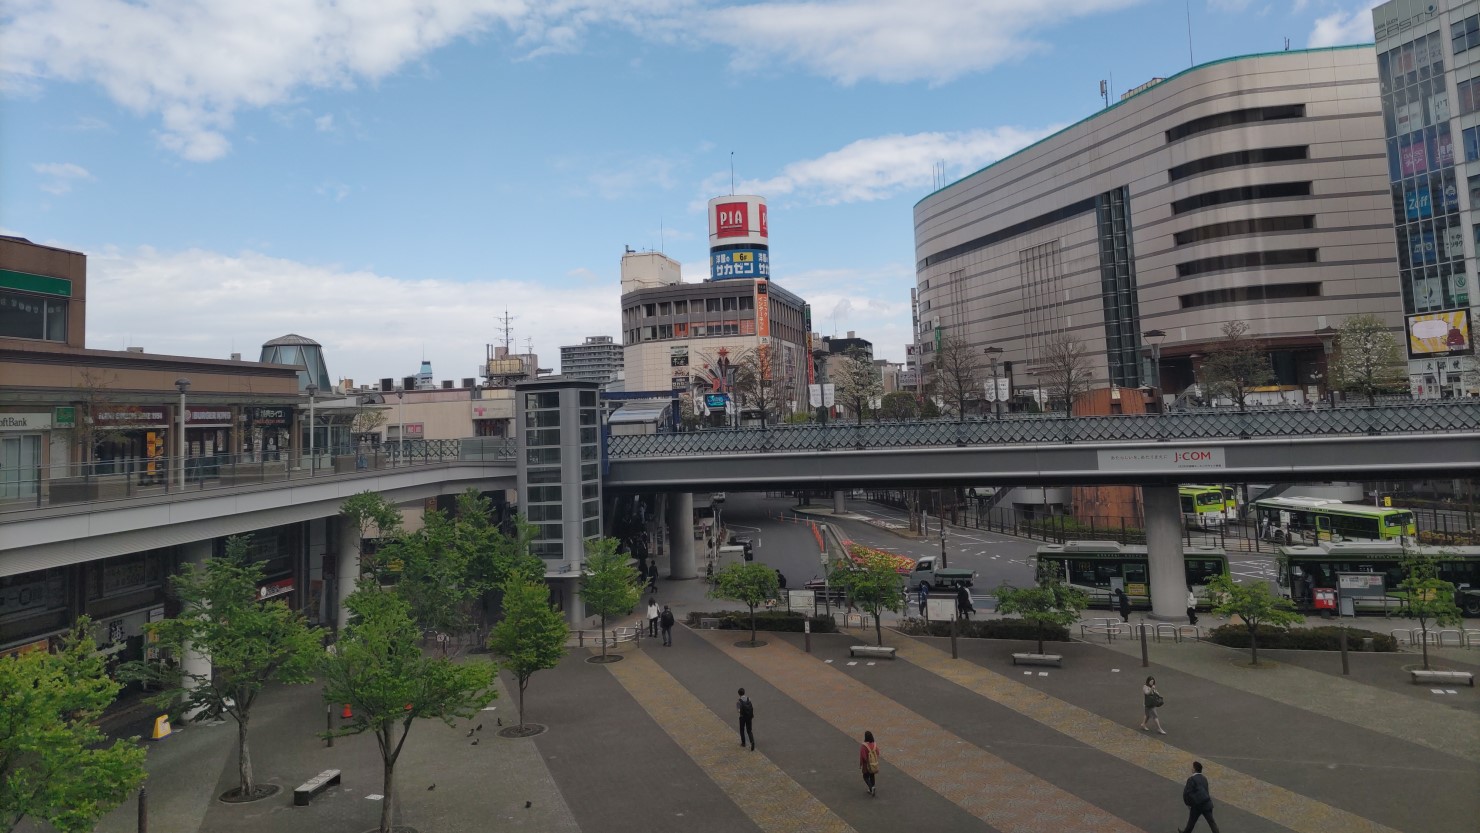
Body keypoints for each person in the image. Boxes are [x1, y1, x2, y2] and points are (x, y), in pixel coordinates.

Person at [1178, 761, 1220, 833]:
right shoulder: (1204, 778)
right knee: (1212, 823)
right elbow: (1206, 791)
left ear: (1194, 769)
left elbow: (1188, 793)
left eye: (1192, 767)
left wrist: (1188, 804)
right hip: (1206, 804)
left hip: (1196, 806)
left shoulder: (1191, 779)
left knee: (1191, 822)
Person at [859, 730, 881, 796]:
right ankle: (873, 787)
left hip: (867, 764)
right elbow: (878, 752)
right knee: (872, 775)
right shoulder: (874, 744)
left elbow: (863, 756)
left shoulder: (864, 746)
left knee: (865, 776)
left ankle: (871, 787)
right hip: (873, 763)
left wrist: (861, 764)